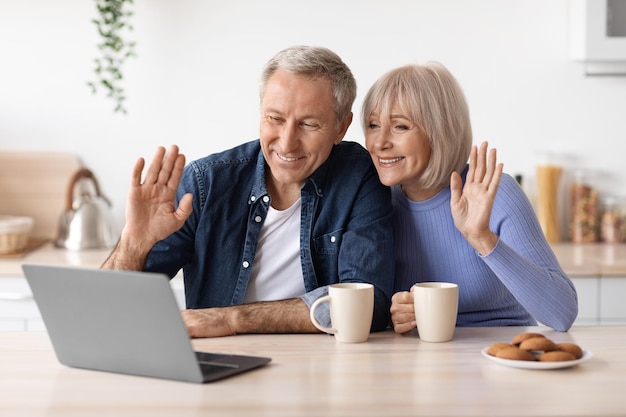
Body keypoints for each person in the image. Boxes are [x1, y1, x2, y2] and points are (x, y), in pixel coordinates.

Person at [101, 45, 394, 338]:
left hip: (318, 367)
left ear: (341, 128)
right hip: (222, 363)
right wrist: (133, 243)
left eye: (308, 124)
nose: (287, 143)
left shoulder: (359, 178)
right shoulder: (206, 183)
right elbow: (106, 309)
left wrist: (231, 320)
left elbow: (367, 303)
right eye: (275, 119)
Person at [361, 62, 578, 333]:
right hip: (423, 362)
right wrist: (397, 315)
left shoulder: (494, 195)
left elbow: (563, 313)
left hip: (502, 354)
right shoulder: (373, 204)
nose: (379, 143)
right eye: (372, 124)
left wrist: (482, 238)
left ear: (439, 131)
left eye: (400, 126)